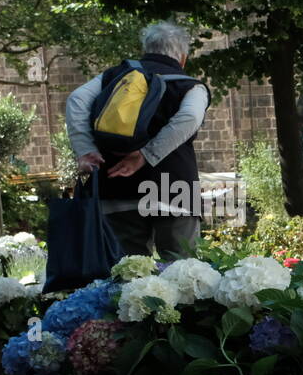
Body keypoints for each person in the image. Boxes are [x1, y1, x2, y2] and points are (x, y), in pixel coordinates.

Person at [66, 21, 211, 258]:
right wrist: (146, 155)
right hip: (175, 190)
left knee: (128, 272)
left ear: (146, 49)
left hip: (116, 185)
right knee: (181, 270)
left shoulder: (114, 77)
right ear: (183, 57)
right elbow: (190, 117)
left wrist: (85, 150)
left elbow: (76, 100)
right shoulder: (191, 87)